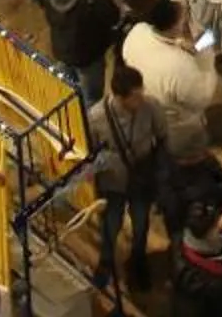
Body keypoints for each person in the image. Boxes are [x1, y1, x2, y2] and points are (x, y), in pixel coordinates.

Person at [86, 64, 166, 294]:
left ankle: (138, 262)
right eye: (135, 97)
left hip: (141, 176)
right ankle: (106, 261)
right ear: (120, 98)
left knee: (141, 224)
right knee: (111, 225)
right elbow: (90, 152)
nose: (141, 100)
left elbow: (161, 137)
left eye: (141, 92)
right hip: (113, 181)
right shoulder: (97, 117)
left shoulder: (150, 106)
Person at [40, 0, 122, 102]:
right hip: (88, 56)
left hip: (61, 49)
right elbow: (112, 17)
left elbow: (42, 1)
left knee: (66, 93)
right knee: (91, 99)